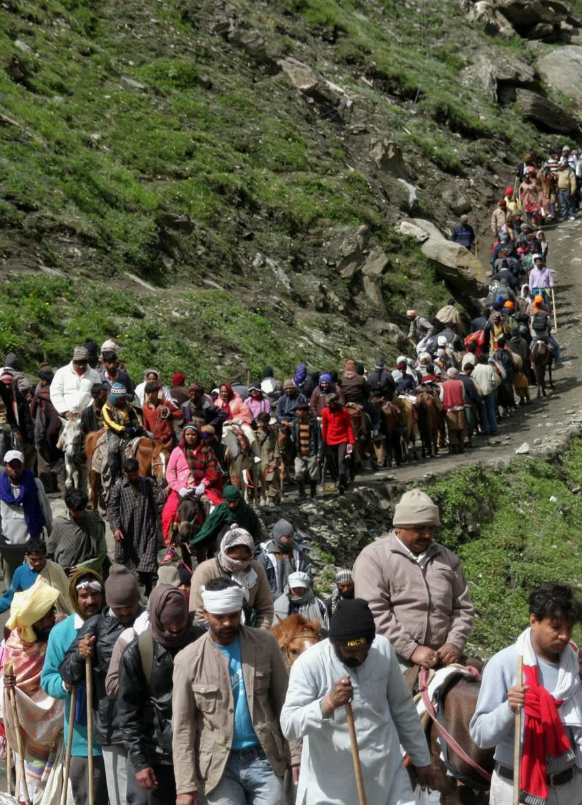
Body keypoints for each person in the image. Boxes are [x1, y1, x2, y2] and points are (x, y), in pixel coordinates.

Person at [280, 598, 432, 805]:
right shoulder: (309, 664)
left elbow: (402, 707)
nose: (360, 658)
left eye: (365, 650)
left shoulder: (383, 649)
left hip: (387, 774)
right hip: (332, 787)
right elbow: (289, 725)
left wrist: (421, 759)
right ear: (335, 643)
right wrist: (327, 703)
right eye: (351, 652)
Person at [172, 578, 290, 805]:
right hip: (218, 767)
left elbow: (285, 703)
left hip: (264, 758)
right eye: (220, 617)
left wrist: (295, 757)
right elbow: (183, 728)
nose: (227, 623)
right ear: (206, 614)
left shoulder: (265, 644)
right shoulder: (188, 660)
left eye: (233, 615)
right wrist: (185, 786)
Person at [470, 583, 582, 805]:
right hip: (516, 790)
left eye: (569, 628)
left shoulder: (574, 665)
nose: (564, 635)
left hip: (570, 789)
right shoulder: (505, 664)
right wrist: (509, 708)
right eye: (556, 627)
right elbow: (481, 735)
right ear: (534, 621)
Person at [353, 489, 475, 672]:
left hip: (441, 656)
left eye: (432, 528)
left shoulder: (448, 560)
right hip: (393, 657)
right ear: (400, 526)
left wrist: (454, 644)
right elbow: (374, 612)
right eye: (419, 529)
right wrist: (411, 650)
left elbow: (463, 607)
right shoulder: (374, 558)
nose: (427, 535)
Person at [60, 565, 145, 805]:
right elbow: (66, 673)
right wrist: (80, 654)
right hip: (113, 727)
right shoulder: (96, 626)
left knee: (146, 796)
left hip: (149, 726)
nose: (126, 612)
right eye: (120, 608)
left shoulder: (149, 620)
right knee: (120, 797)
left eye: (131, 606)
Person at [119, 585, 204, 805]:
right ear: (156, 618)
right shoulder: (138, 652)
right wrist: (140, 763)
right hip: (156, 755)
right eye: (168, 624)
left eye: (180, 623)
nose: (175, 629)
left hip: (199, 751)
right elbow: (129, 712)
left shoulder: (203, 642)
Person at [41, 569, 107, 805]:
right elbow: (48, 680)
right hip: (83, 739)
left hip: (118, 736)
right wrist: (67, 680)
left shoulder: (114, 623)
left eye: (95, 594)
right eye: (83, 595)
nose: (90, 601)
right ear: (74, 598)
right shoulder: (61, 633)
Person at [3, 580, 65, 804]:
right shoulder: (15, 648)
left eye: (52, 613)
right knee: (33, 787)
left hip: (59, 728)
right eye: (46, 617)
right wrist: (8, 684)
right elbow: (10, 691)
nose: (52, 619)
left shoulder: (60, 628)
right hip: (29, 732)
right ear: (32, 624)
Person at [190, 526, 274, 629]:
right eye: (234, 559)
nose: (239, 563)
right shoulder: (205, 571)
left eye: (244, 559)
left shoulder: (256, 569)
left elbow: (265, 609)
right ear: (224, 551)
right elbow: (198, 615)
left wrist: (257, 637)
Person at [161, 423, 222, 561]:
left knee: (217, 508)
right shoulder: (177, 451)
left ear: (198, 435)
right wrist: (178, 487)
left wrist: (202, 485)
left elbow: (213, 470)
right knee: (167, 514)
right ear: (184, 435)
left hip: (201, 488)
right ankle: (171, 546)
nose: (190, 437)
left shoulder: (207, 450)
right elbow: (170, 474)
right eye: (188, 434)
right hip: (180, 490)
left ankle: (216, 542)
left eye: (193, 434)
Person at [108, 458, 166, 595]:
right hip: (127, 531)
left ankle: (149, 589)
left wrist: (169, 488)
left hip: (147, 528)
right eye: (130, 475)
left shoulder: (147, 483)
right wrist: (116, 528)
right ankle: (132, 590)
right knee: (129, 563)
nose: (134, 477)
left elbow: (158, 498)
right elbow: (113, 509)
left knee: (149, 560)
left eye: (135, 474)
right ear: (124, 473)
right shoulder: (118, 488)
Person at [0, 449, 52, 583]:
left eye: (19, 466)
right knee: (11, 581)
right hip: (9, 543)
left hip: (31, 541)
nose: (15, 470)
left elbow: (44, 507)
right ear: (5, 465)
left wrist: (50, 530)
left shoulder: (34, 484)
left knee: (34, 580)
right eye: (12, 466)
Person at [188, 485, 263, 559]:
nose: (232, 505)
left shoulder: (248, 512)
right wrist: (195, 543)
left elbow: (256, 533)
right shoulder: (220, 511)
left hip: (244, 552)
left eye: (234, 501)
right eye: (229, 502)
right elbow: (208, 529)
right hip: (223, 550)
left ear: (239, 499)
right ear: (224, 499)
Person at [0, 537, 71, 614]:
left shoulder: (55, 569)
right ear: (27, 556)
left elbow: (67, 594)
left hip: (54, 617)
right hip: (30, 618)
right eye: (33, 559)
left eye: (41, 559)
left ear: (45, 555)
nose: (38, 563)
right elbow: (9, 598)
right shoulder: (20, 572)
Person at [48, 487, 107, 577]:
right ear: (68, 507)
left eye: (81, 511)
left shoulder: (95, 522)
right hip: (63, 574)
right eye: (75, 511)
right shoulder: (59, 523)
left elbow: (101, 552)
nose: (78, 514)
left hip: (87, 574)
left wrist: (84, 567)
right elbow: (50, 550)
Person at [31, 364, 66, 494]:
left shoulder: (42, 397)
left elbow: (40, 424)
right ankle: (62, 490)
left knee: (44, 465)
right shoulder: (60, 394)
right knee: (60, 465)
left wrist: (38, 441)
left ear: (44, 381)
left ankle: (48, 491)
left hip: (46, 438)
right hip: (61, 437)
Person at [102, 382, 144, 486]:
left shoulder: (127, 405)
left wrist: (137, 425)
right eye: (119, 399)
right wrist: (123, 429)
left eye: (123, 399)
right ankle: (116, 473)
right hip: (114, 431)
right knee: (113, 449)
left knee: (150, 436)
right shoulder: (106, 407)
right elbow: (110, 423)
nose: (122, 401)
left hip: (129, 428)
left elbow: (134, 416)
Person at [256, 519, 311, 599]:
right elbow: (260, 582)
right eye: (287, 537)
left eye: (292, 536)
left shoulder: (298, 554)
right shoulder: (265, 557)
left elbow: (307, 577)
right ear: (278, 537)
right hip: (272, 601)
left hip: (297, 598)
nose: (291, 540)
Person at [50, 346, 101, 419]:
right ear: (73, 360)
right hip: (66, 417)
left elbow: (97, 395)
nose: (81, 366)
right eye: (78, 362)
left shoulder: (95, 374)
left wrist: (86, 411)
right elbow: (55, 393)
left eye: (84, 362)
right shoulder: (61, 373)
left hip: (87, 417)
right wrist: (65, 411)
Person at [321, 393, 355, 495]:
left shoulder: (344, 411)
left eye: (328, 403)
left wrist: (351, 441)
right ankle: (336, 480)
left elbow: (348, 426)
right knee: (333, 462)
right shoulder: (325, 412)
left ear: (334, 403)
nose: (327, 405)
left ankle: (342, 482)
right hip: (330, 440)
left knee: (341, 461)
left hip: (342, 439)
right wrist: (324, 442)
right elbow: (325, 427)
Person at [291, 401, 323, 499]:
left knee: (313, 474)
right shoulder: (295, 423)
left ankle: (313, 493)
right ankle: (302, 494)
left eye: (299, 410)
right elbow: (294, 438)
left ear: (305, 412)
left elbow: (319, 439)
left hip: (311, 452)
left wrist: (319, 454)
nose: (297, 412)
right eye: (296, 410)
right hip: (299, 453)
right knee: (298, 472)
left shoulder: (314, 423)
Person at [142, 380, 182, 448]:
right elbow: (145, 427)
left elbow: (180, 414)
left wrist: (170, 414)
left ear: (157, 392)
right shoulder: (145, 408)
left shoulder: (165, 403)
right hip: (155, 441)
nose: (150, 395)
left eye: (152, 392)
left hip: (169, 439)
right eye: (148, 393)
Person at [255, 412, 280, 506]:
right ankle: (262, 496)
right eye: (260, 422)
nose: (262, 424)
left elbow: (277, 446)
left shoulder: (273, 432)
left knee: (272, 480)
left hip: (270, 460)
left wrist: (275, 460)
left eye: (264, 422)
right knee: (261, 481)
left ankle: (271, 498)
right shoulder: (255, 434)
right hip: (260, 461)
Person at [439, 367, 466, 454]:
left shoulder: (444, 384)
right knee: (461, 427)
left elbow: (441, 398)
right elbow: (463, 395)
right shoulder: (460, 382)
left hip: (450, 409)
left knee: (451, 428)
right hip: (460, 408)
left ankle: (453, 445)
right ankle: (462, 444)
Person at [472, 354, 500, 435]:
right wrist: (493, 388)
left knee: (483, 411)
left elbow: (474, 381)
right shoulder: (489, 368)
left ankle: (486, 428)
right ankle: (494, 428)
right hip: (489, 391)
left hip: (480, 392)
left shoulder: (474, 369)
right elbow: (493, 380)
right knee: (491, 410)